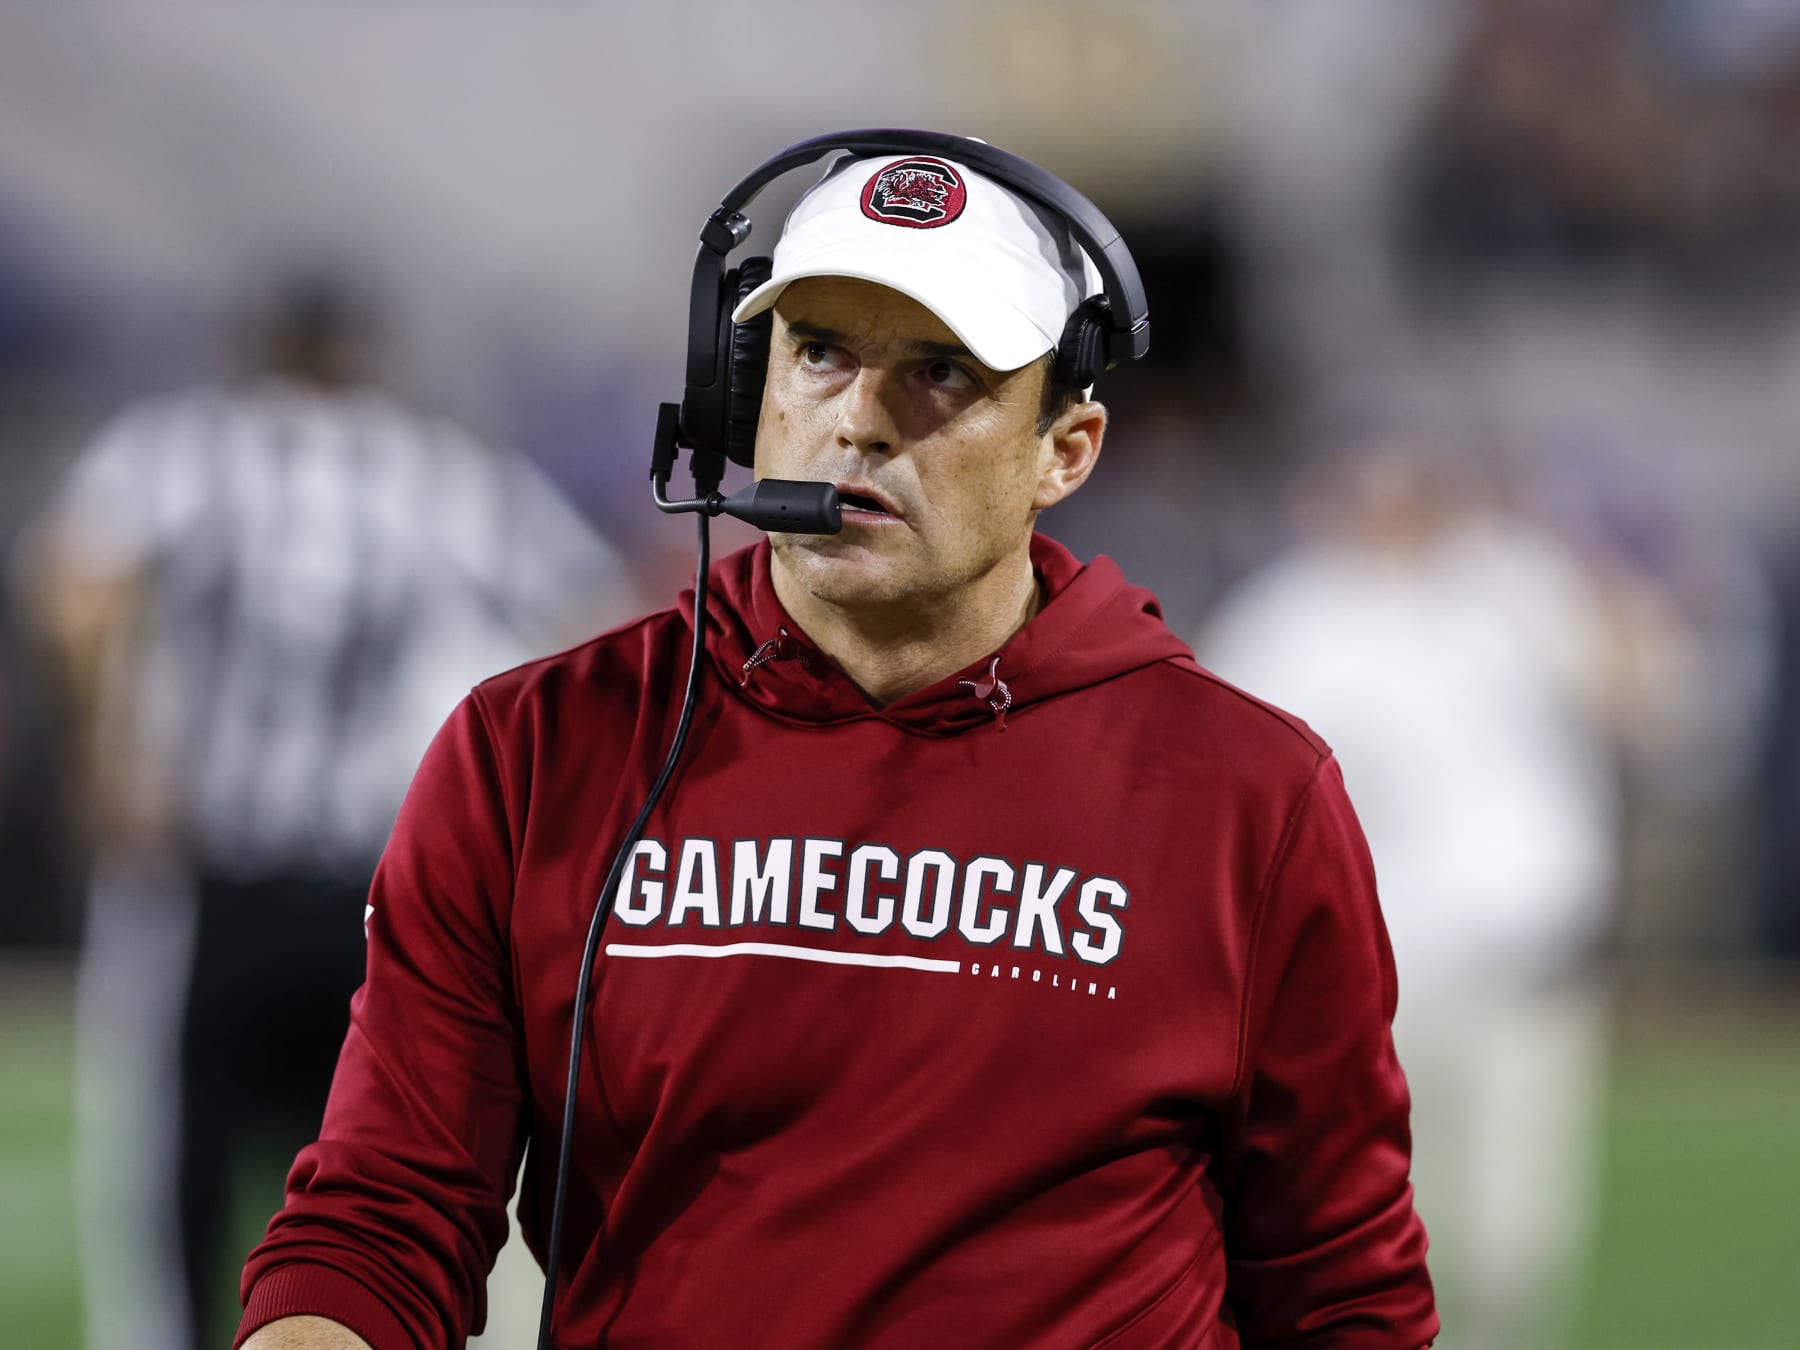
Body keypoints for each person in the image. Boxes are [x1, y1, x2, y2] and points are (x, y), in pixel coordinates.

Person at [236, 142, 1438, 1349]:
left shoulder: (1247, 797)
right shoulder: (538, 750)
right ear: (738, 396)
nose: (859, 421)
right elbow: (380, 1225)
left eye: (941, 372)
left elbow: (1343, 1300)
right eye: (819, 353)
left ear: (1062, 453)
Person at [16, 275, 632, 1350]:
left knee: (170, 1200)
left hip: (206, 873)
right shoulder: (437, 468)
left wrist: (104, 749)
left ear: (255, 344)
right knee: (361, 1201)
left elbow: (74, 580)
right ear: (366, 351)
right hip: (375, 887)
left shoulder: (188, 444)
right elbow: (596, 617)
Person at [1200, 435, 1617, 1350]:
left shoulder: (1510, 588)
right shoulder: (1293, 617)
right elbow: (1225, 790)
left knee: (1517, 1239)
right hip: (1379, 976)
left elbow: (1644, 692)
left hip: (1531, 963)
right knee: (1369, 1230)